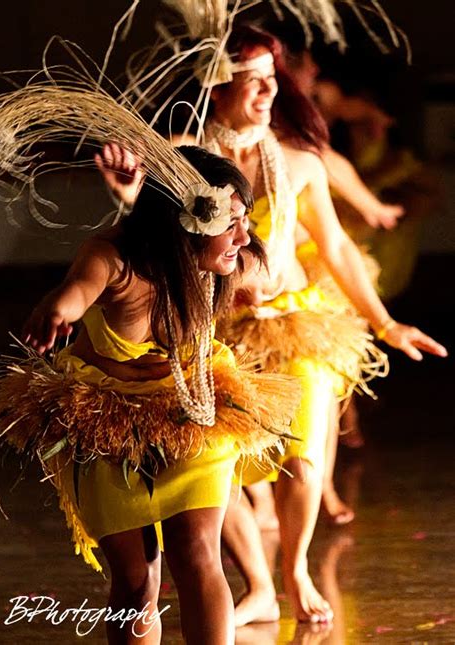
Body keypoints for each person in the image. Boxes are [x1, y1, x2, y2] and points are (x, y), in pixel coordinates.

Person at [99, 26, 447, 626]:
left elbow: (335, 249)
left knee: (305, 461)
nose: (268, 91)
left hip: (295, 323)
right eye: (253, 79)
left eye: (272, 79)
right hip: (217, 332)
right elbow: (149, 224)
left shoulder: (298, 159)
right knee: (221, 470)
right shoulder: (184, 155)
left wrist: (387, 324)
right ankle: (258, 584)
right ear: (217, 83)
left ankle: (295, 571)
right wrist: (130, 193)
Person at [0, 144, 301, 645]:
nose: (244, 235)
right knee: (137, 584)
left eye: (246, 220)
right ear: (188, 222)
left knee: (198, 552)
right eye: (232, 221)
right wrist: (59, 310)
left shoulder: (224, 262)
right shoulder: (115, 256)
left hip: (192, 409)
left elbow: (275, 272)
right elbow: (77, 291)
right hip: (105, 424)